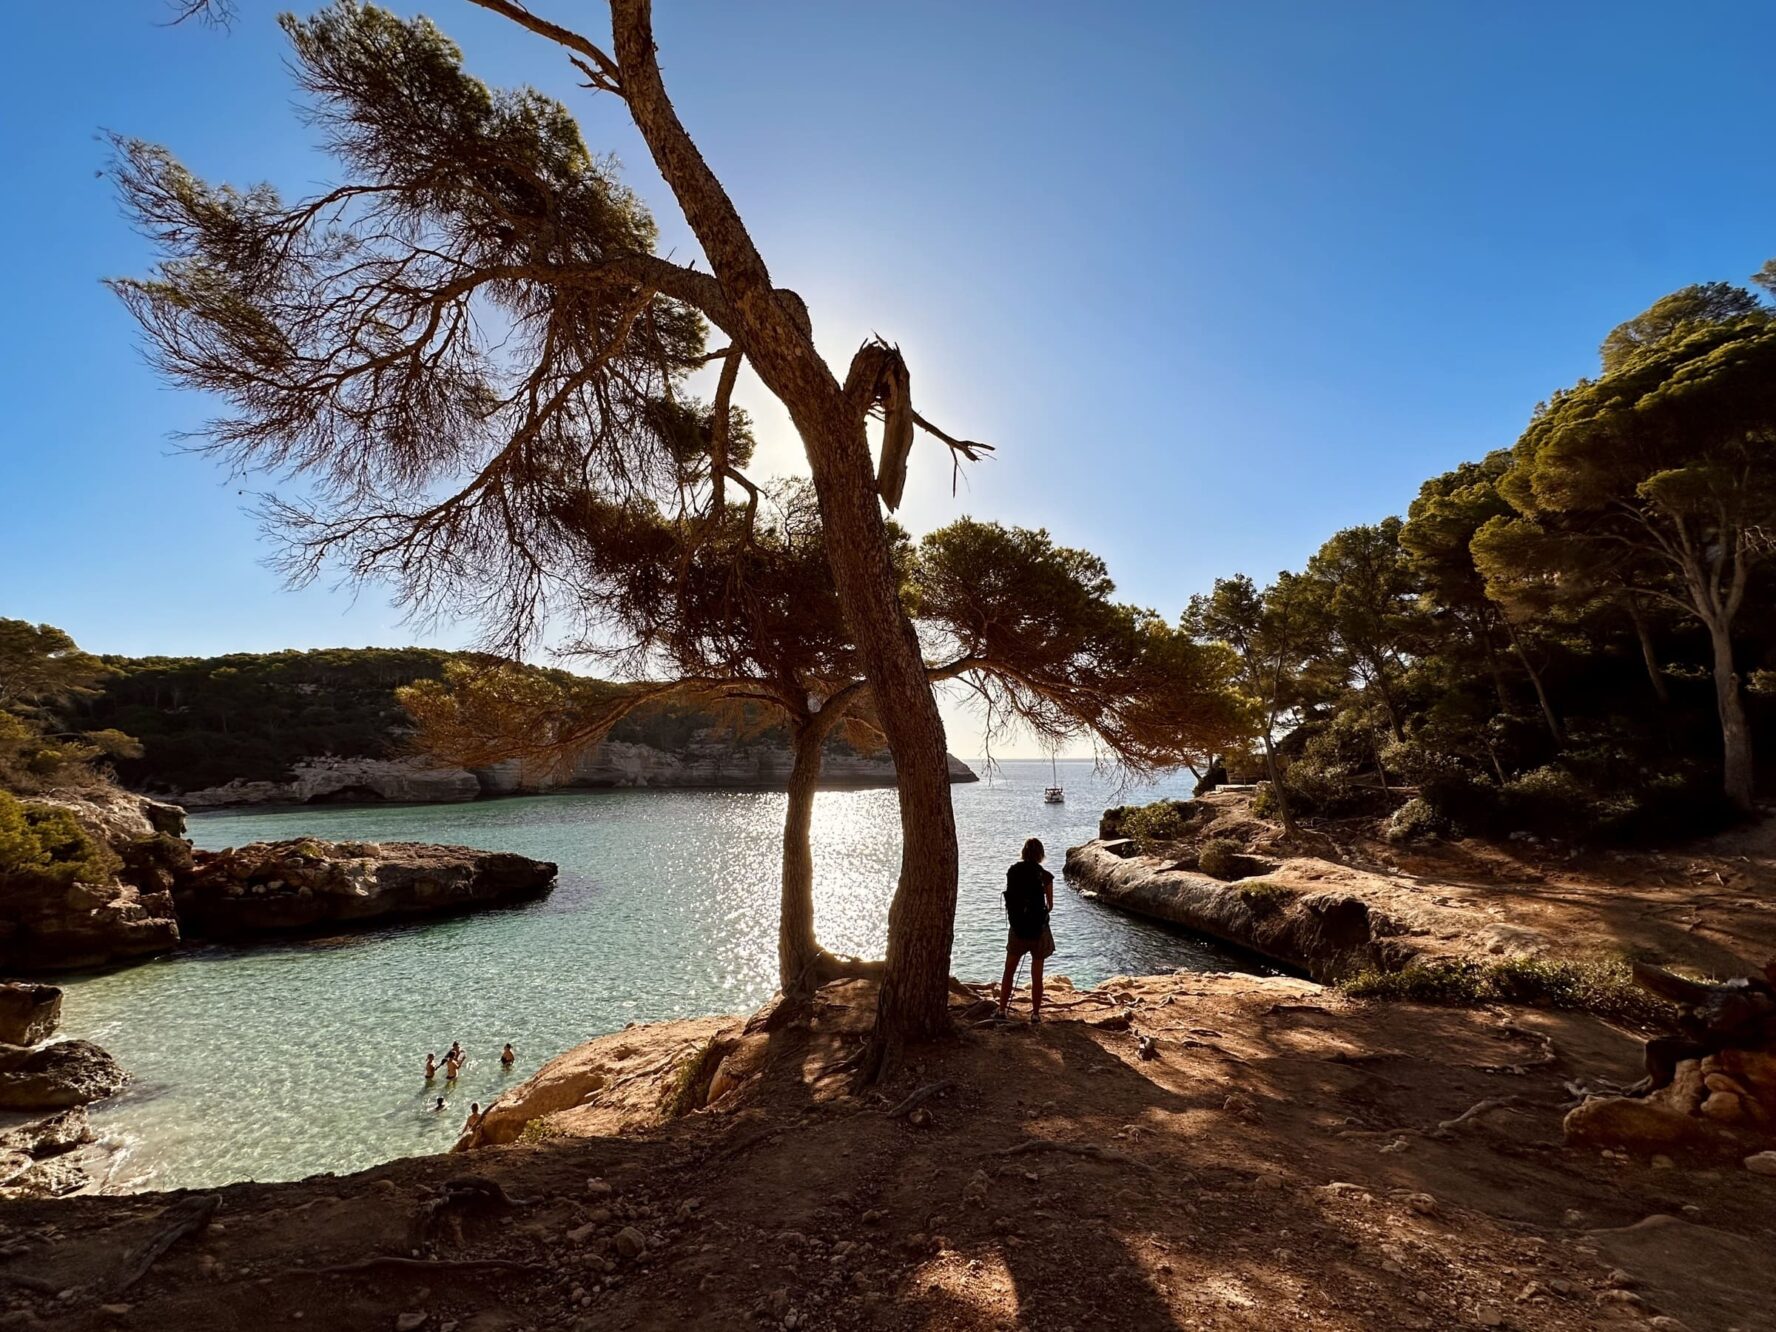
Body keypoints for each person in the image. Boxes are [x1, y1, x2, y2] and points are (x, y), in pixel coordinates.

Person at [998, 837, 1056, 1022]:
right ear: (1041, 855)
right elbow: (1050, 905)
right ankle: (1036, 1014)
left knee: (1009, 971)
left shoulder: (1013, 871)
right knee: (1036, 975)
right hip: (1038, 930)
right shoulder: (1045, 875)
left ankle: (1001, 1010)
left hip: (1017, 928)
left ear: (1023, 852)